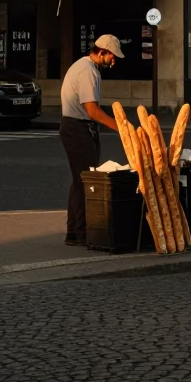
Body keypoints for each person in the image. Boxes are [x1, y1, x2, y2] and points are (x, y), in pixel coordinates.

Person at [59, 34, 123, 245]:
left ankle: (74, 232)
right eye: (112, 56)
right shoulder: (88, 71)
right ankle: (82, 232)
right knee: (85, 181)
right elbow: (93, 111)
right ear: (102, 51)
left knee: (80, 180)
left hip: (74, 126)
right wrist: (121, 127)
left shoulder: (83, 66)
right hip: (78, 128)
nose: (114, 61)